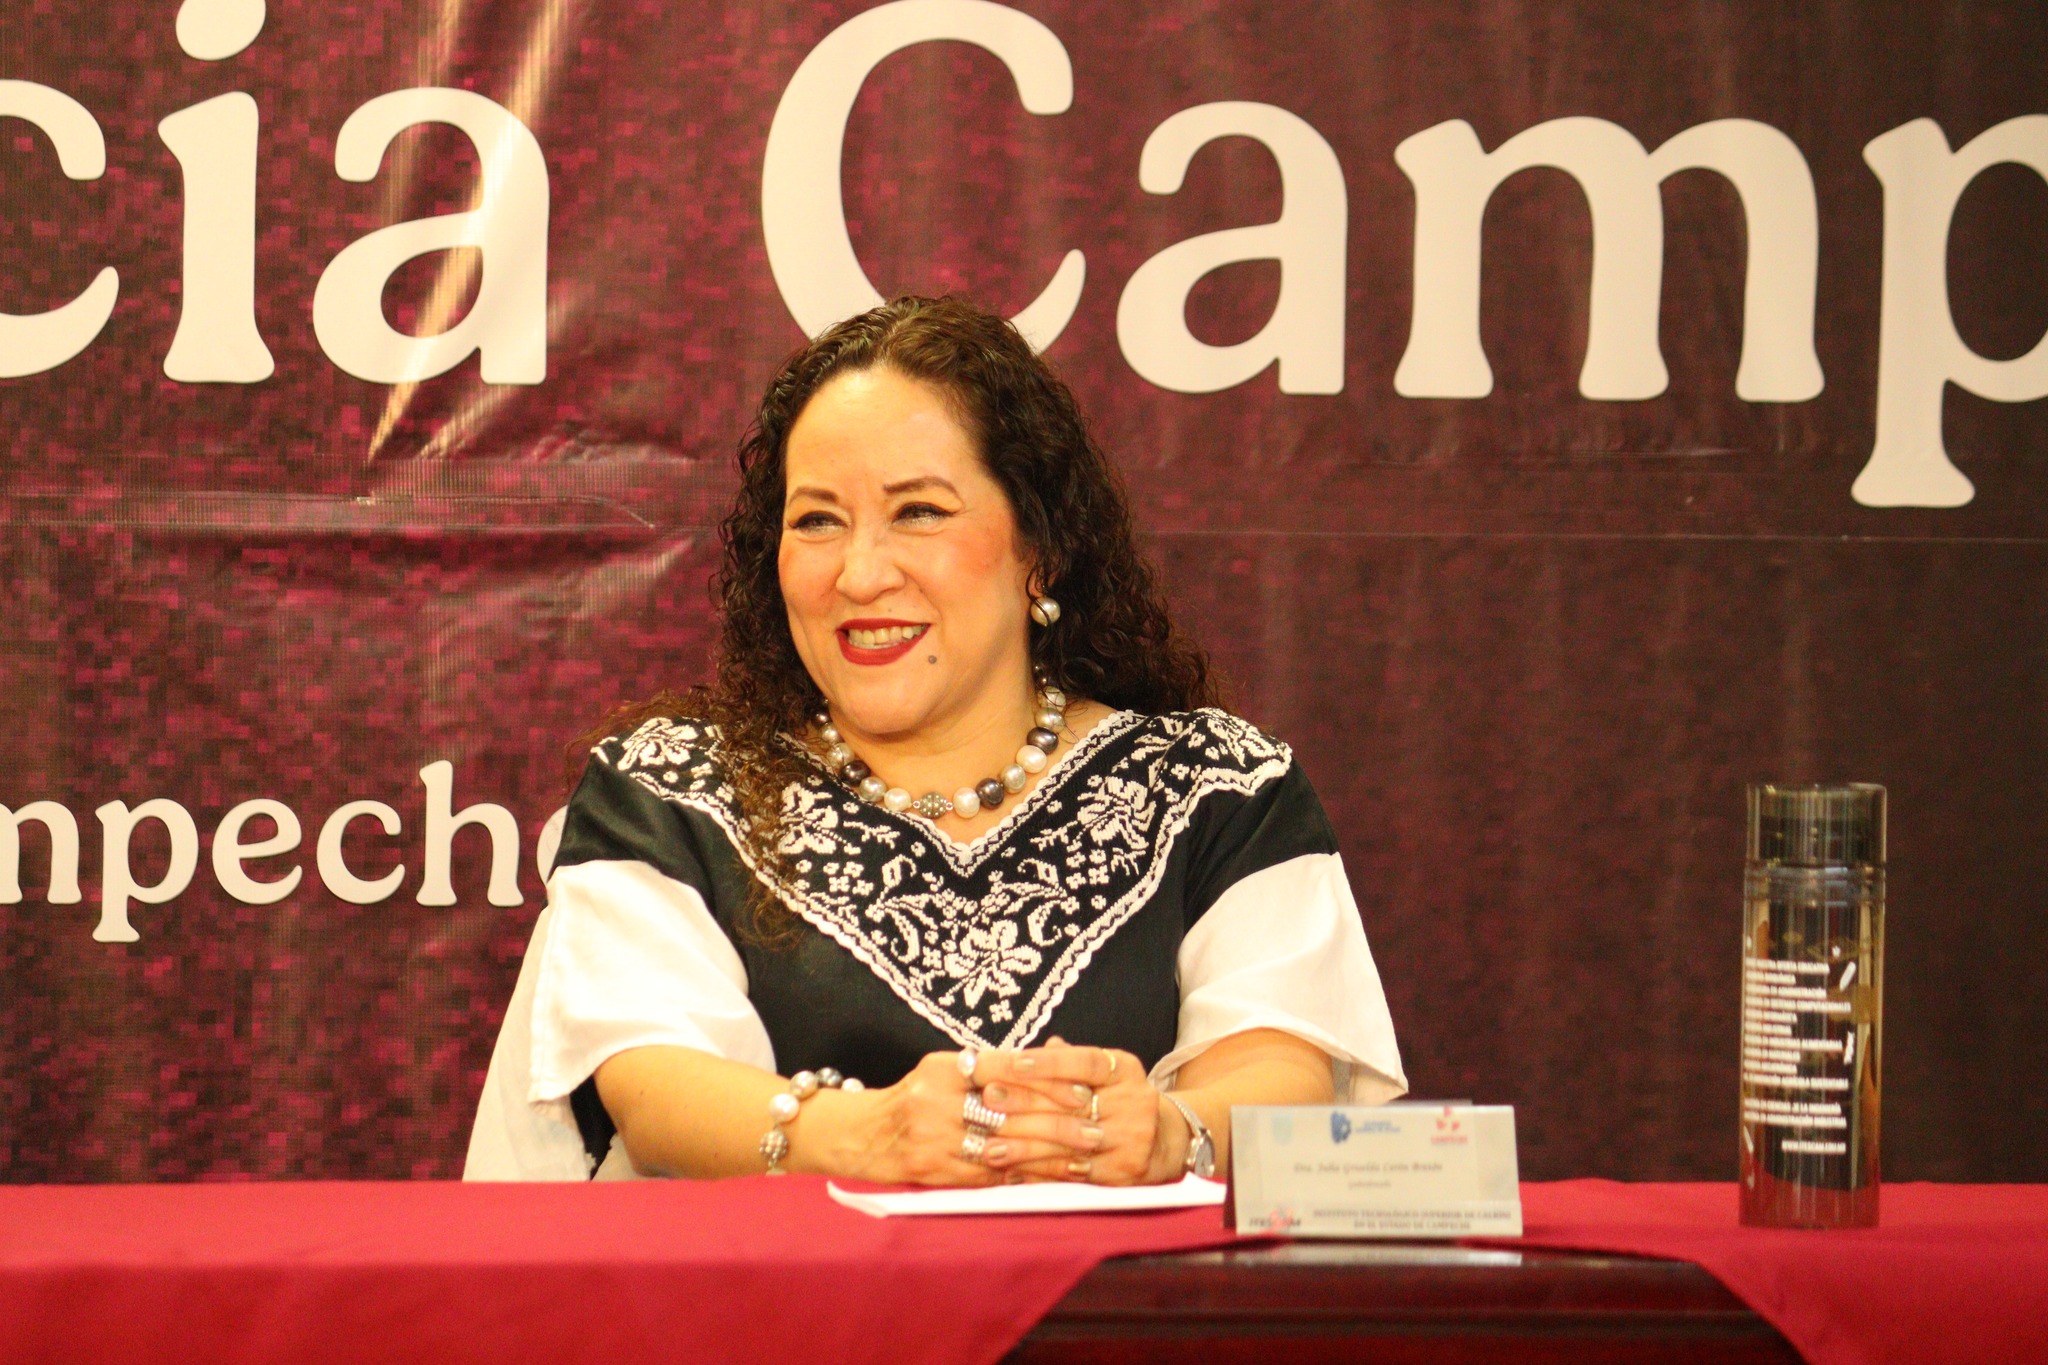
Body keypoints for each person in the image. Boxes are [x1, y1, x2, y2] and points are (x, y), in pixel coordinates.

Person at [465, 296, 1404, 1183]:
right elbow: (653, 1084)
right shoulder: (670, 790)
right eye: (817, 520)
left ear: (1041, 548)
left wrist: (1168, 1133)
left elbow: (1281, 1069)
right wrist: (872, 1135)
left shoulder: (1220, 787)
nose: (860, 572)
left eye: (918, 511)